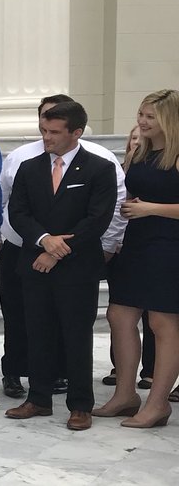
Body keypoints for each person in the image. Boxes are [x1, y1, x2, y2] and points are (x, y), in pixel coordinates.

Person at [0, 94, 127, 398]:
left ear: (76, 132)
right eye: (44, 130)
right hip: (33, 260)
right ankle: (38, 399)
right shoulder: (28, 165)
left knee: (76, 336)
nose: (46, 138)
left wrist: (56, 251)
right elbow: (18, 211)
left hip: (77, 266)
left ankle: (80, 404)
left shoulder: (100, 166)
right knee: (37, 331)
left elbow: (98, 218)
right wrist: (44, 240)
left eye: (54, 132)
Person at [95, 90, 179, 428]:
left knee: (162, 322)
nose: (142, 121)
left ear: (168, 119)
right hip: (137, 241)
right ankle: (125, 394)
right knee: (118, 314)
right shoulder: (139, 152)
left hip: (170, 245)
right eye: (141, 114)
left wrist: (150, 209)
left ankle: (158, 404)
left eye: (150, 116)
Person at [102, 126, 156, 390]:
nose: (138, 142)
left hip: (158, 246)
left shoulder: (163, 167)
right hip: (124, 248)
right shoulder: (122, 170)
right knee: (119, 313)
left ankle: (152, 372)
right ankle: (121, 373)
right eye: (134, 138)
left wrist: (149, 208)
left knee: (158, 318)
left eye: (142, 138)